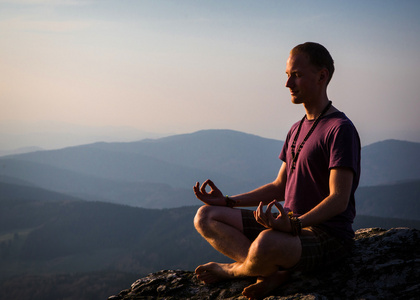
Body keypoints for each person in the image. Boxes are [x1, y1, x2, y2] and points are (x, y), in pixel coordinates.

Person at [193, 42, 361, 300]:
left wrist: (295, 224)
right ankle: (268, 270)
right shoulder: (296, 128)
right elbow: (280, 186)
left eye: (296, 75)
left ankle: (232, 270)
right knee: (206, 216)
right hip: (288, 226)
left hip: (326, 235)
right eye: (287, 76)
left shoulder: (340, 129)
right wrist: (227, 201)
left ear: (322, 76)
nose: (288, 84)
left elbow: (338, 199)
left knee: (267, 242)